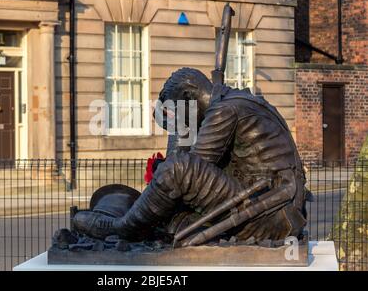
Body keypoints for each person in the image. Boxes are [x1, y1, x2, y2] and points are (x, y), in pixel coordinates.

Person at [73, 67, 308, 245]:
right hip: (270, 204)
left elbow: (188, 171)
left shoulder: (224, 110)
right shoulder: (240, 100)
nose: (186, 119)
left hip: (266, 216)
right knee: (173, 213)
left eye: (181, 109)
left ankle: (121, 227)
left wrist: (178, 128)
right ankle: (145, 226)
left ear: (188, 96)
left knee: (178, 169)